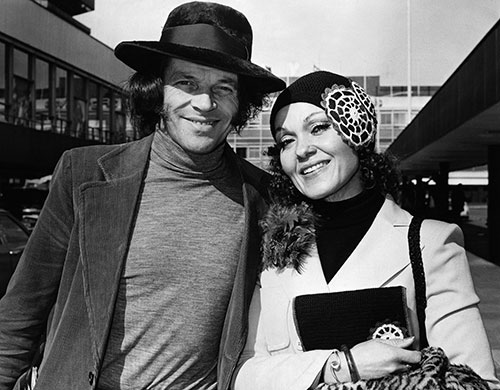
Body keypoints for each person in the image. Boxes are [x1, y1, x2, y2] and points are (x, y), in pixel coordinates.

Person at [0, 2, 285, 389]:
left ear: (240, 104)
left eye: (224, 88)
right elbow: (20, 314)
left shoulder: (262, 197)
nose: (204, 103)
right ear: (158, 90)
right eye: (187, 83)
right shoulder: (82, 173)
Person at [232, 71, 500, 390]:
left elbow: (475, 381)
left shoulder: (429, 243)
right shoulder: (276, 254)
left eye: (318, 128)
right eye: (286, 140)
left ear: (357, 129)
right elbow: (244, 374)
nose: (302, 150)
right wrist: (342, 366)